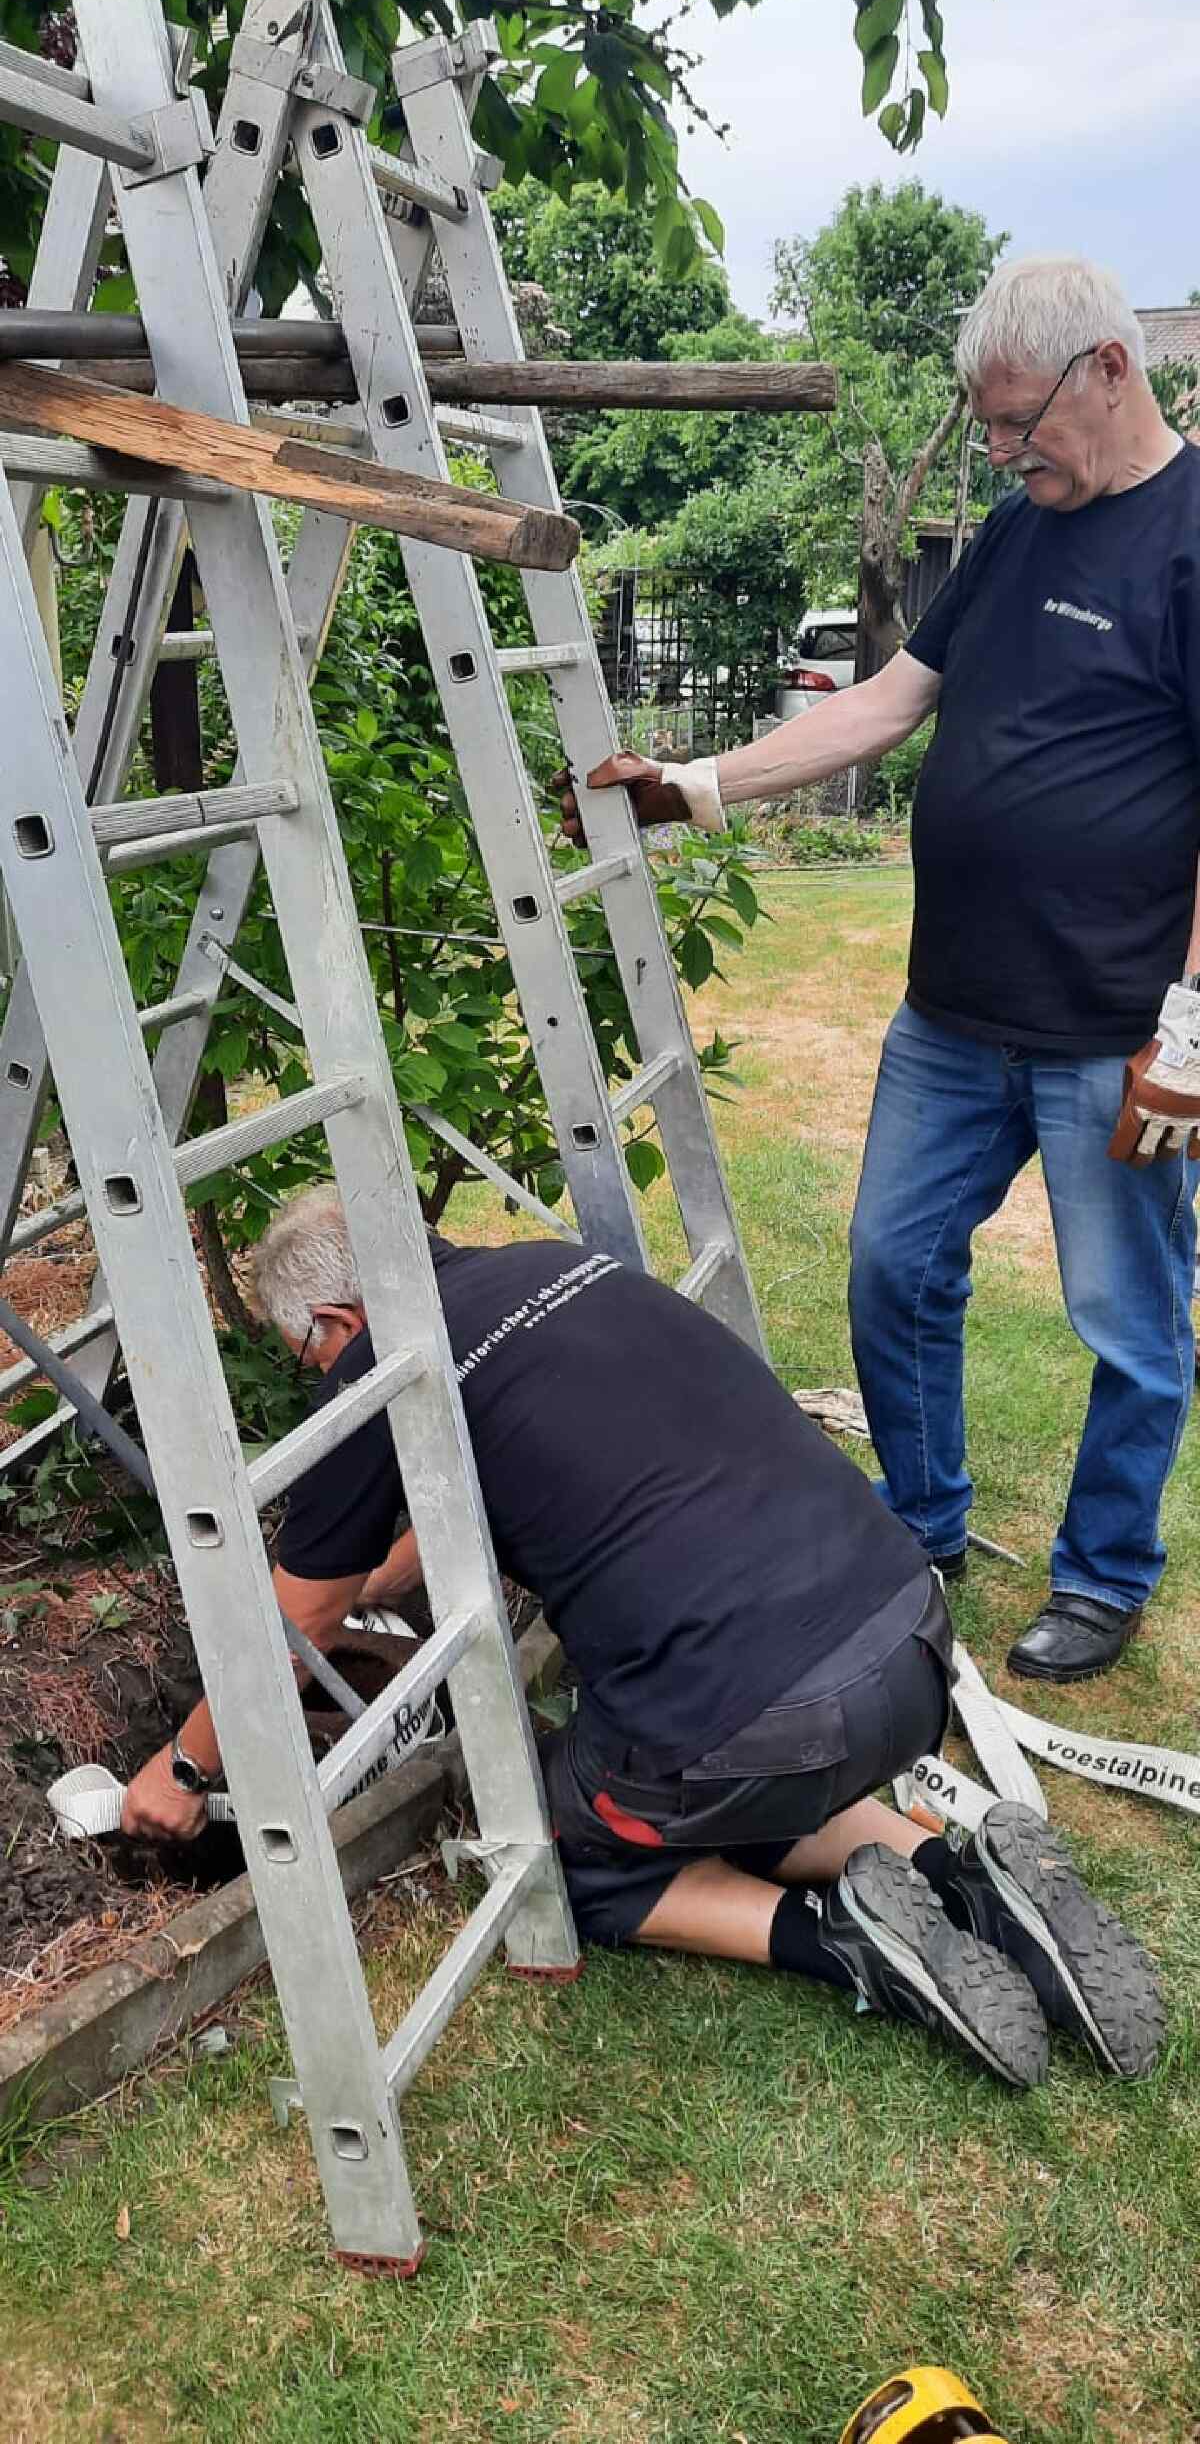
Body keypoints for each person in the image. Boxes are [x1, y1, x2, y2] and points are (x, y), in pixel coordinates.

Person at [122, 1187, 1162, 2087]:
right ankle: (963, 1874)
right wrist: (375, 1583)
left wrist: (182, 1767)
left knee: (549, 1839)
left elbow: (293, 1618)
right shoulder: (557, 1266)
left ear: (337, 1321)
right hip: (909, 1643)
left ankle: (845, 1944)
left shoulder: (380, 1366)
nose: (321, 1376)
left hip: (759, 1723)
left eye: (309, 1355)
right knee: (707, 1770)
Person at [558, 256, 1200, 1687]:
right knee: (892, 1265)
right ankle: (920, 1524)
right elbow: (888, 702)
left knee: (1130, 1320)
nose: (1003, 452)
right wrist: (697, 785)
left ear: (1110, 368)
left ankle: (1104, 1572)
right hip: (953, 1015)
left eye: (1019, 421)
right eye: (988, 427)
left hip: (1114, 1029)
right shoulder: (1021, 532)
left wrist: (1193, 1030)